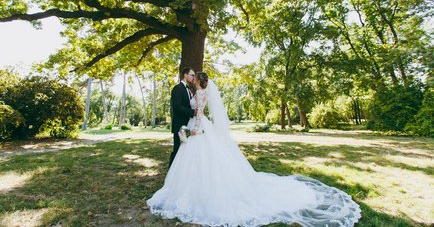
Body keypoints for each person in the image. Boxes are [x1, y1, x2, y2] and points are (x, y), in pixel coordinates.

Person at [148, 72, 361, 227]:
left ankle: (198, 188)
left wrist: (193, 128)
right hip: (199, 126)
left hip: (200, 126)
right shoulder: (197, 91)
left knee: (204, 157)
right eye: (192, 77)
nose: (194, 79)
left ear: (200, 82)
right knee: (194, 157)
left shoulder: (201, 95)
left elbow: (199, 113)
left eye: (196, 78)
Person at [169, 67, 196, 167]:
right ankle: (170, 174)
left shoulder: (189, 90)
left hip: (187, 125)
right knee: (177, 150)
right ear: (185, 75)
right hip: (180, 125)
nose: (194, 77)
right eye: (192, 75)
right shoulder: (178, 88)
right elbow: (177, 107)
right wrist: (192, 113)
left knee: (183, 151)